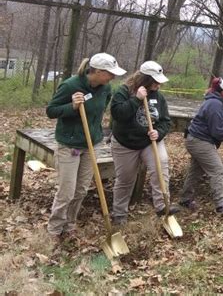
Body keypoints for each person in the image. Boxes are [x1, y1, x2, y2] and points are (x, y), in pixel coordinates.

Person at [46, 53, 126, 239]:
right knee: (67, 191)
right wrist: (72, 107)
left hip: (92, 143)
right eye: (109, 73)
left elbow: (102, 107)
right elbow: (51, 111)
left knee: (81, 189)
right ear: (97, 71)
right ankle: (54, 229)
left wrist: (95, 127)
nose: (113, 77)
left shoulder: (106, 88)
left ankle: (69, 224)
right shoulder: (71, 85)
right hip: (69, 145)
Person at [110, 61, 178, 225]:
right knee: (125, 178)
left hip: (150, 141)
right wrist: (137, 99)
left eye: (159, 81)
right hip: (125, 143)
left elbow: (165, 121)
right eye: (155, 81)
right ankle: (119, 213)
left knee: (161, 166)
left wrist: (159, 132)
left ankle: (162, 205)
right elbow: (118, 115)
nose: (158, 85)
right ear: (144, 79)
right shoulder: (124, 91)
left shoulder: (159, 97)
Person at [179, 78, 223, 215]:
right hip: (200, 141)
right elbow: (217, 130)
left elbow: (215, 119)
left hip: (196, 139)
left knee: (196, 170)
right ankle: (220, 204)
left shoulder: (216, 102)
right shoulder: (215, 104)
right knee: (217, 168)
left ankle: (185, 198)